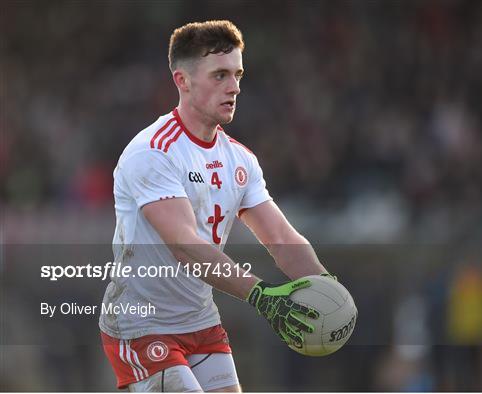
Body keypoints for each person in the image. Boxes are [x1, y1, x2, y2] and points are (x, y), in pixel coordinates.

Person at [99, 20, 331, 392]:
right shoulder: (152, 151)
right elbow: (185, 245)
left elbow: (279, 236)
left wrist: (324, 285)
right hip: (140, 325)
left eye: (238, 74)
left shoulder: (240, 160)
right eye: (220, 75)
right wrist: (260, 294)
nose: (235, 87)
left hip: (200, 321)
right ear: (182, 81)